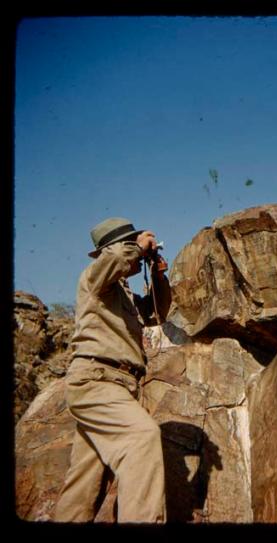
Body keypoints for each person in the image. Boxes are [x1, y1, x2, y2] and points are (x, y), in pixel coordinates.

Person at [53, 217, 171, 523]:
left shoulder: (122, 294)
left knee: (84, 481)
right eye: (129, 243)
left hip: (115, 386)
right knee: (143, 437)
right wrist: (139, 245)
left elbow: (158, 313)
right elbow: (116, 258)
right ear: (115, 248)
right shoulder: (95, 276)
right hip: (97, 380)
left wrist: (158, 275)